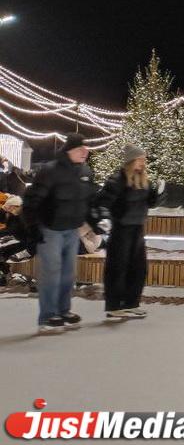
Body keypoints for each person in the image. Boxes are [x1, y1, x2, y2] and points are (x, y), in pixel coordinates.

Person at [21, 133, 95, 334]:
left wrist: (95, 218)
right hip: (50, 229)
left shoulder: (85, 171)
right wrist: (33, 227)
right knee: (51, 273)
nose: (85, 152)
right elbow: (32, 200)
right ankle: (47, 316)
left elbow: (88, 200)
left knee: (68, 273)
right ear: (69, 150)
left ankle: (63, 311)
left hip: (72, 229)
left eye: (86, 149)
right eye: (80, 149)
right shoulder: (50, 170)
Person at [92, 145, 162, 320]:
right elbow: (103, 202)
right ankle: (114, 306)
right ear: (130, 161)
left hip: (137, 228)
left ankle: (131, 303)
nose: (143, 163)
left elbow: (149, 203)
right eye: (140, 159)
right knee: (118, 267)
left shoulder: (143, 180)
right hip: (121, 229)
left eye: (144, 159)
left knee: (138, 268)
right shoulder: (117, 180)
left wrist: (157, 195)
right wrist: (104, 217)